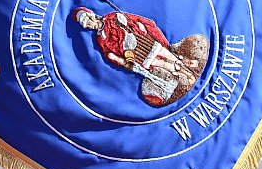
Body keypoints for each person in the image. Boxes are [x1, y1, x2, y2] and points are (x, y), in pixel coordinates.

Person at [72, 6, 209, 106]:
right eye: (86, 25)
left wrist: (140, 28)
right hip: (137, 55)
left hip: (145, 41)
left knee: (171, 57)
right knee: (164, 65)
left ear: (92, 16)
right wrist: (122, 59)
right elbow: (110, 54)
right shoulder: (101, 38)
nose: (89, 25)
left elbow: (133, 20)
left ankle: (190, 72)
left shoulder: (112, 17)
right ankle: (184, 77)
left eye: (88, 21)